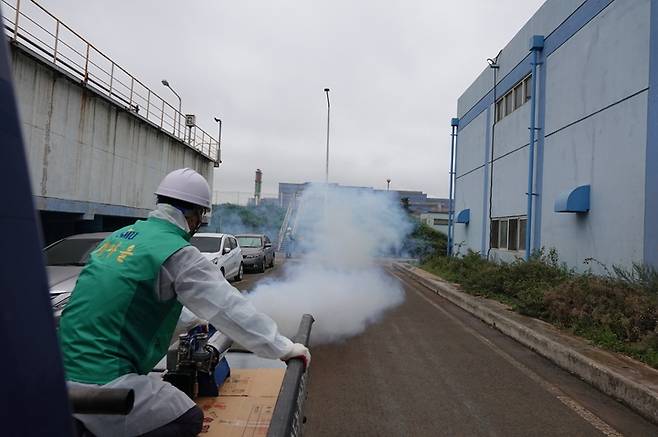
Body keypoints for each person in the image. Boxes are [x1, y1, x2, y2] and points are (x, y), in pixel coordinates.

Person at [58, 168, 310, 437]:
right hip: (105, 383)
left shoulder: (119, 237)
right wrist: (284, 348)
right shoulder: (177, 252)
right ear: (195, 215)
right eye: (200, 216)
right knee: (187, 417)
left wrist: (196, 318)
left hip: (57, 371)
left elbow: (134, 306)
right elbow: (229, 308)